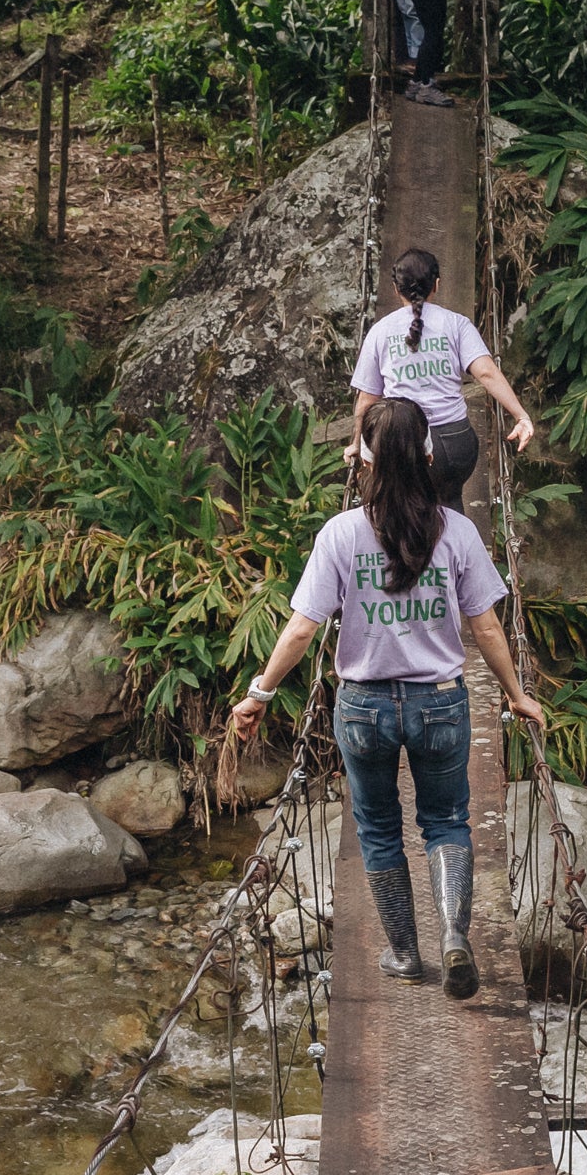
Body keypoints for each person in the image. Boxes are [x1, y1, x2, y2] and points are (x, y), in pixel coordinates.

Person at [231, 397, 546, 1000]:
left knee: (378, 830)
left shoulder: (341, 533)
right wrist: (517, 694)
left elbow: (302, 629)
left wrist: (259, 695)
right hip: (441, 702)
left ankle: (405, 952)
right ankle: (454, 936)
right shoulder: (457, 531)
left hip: (364, 707)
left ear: (365, 462)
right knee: (446, 821)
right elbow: (485, 627)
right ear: (431, 455)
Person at [350, 247, 533, 513]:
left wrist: (357, 444)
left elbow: (367, 399)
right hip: (455, 444)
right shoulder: (457, 324)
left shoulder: (380, 332)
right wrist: (521, 416)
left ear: (394, 288)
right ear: (437, 284)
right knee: (449, 504)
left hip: (403, 444)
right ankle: (455, 547)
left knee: (406, 509)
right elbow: (486, 373)